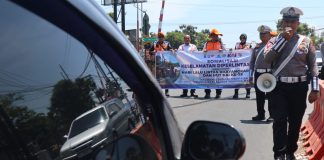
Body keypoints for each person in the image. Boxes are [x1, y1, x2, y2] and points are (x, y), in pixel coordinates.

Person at [263, 7, 319, 160]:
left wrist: (314, 89)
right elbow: (267, 59)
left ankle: (290, 152)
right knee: (279, 120)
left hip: (299, 87)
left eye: (293, 21)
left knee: (295, 121)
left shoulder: (306, 42)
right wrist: (283, 40)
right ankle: (279, 153)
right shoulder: (274, 40)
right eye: (287, 21)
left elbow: (313, 65)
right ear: (282, 22)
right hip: (279, 87)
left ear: (298, 23)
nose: (290, 24)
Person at [249, 25, 274, 122]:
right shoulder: (257, 47)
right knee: (259, 96)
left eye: (264, 33)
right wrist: (250, 75)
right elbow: (252, 62)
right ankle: (260, 114)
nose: (262, 35)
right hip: (258, 73)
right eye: (261, 34)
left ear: (269, 35)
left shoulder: (273, 46)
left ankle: (272, 115)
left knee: (271, 96)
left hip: (270, 73)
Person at [203, 28, 226, 99]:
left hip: (218, 65)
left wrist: (222, 51)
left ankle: (218, 93)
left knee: (218, 79)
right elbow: (202, 52)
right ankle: (207, 93)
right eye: (215, 35)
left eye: (217, 35)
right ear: (211, 36)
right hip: (208, 65)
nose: (216, 37)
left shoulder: (220, 43)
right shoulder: (207, 43)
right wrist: (204, 51)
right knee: (207, 79)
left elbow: (226, 53)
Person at [150, 32, 172, 97]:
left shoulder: (167, 43)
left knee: (166, 77)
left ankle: (167, 91)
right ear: (158, 38)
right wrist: (153, 52)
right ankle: (158, 91)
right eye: (159, 37)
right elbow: (150, 51)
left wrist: (172, 50)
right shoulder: (154, 43)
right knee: (157, 77)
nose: (160, 38)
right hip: (157, 63)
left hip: (165, 63)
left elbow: (170, 50)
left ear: (163, 38)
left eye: (161, 37)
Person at [233, 33, 252, 99]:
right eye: (241, 38)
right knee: (237, 80)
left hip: (246, 65)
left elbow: (251, 53)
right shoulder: (237, 44)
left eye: (244, 38)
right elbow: (234, 53)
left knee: (247, 80)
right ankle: (236, 94)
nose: (242, 39)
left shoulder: (249, 44)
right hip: (238, 65)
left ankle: (248, 93)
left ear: (246, 39)